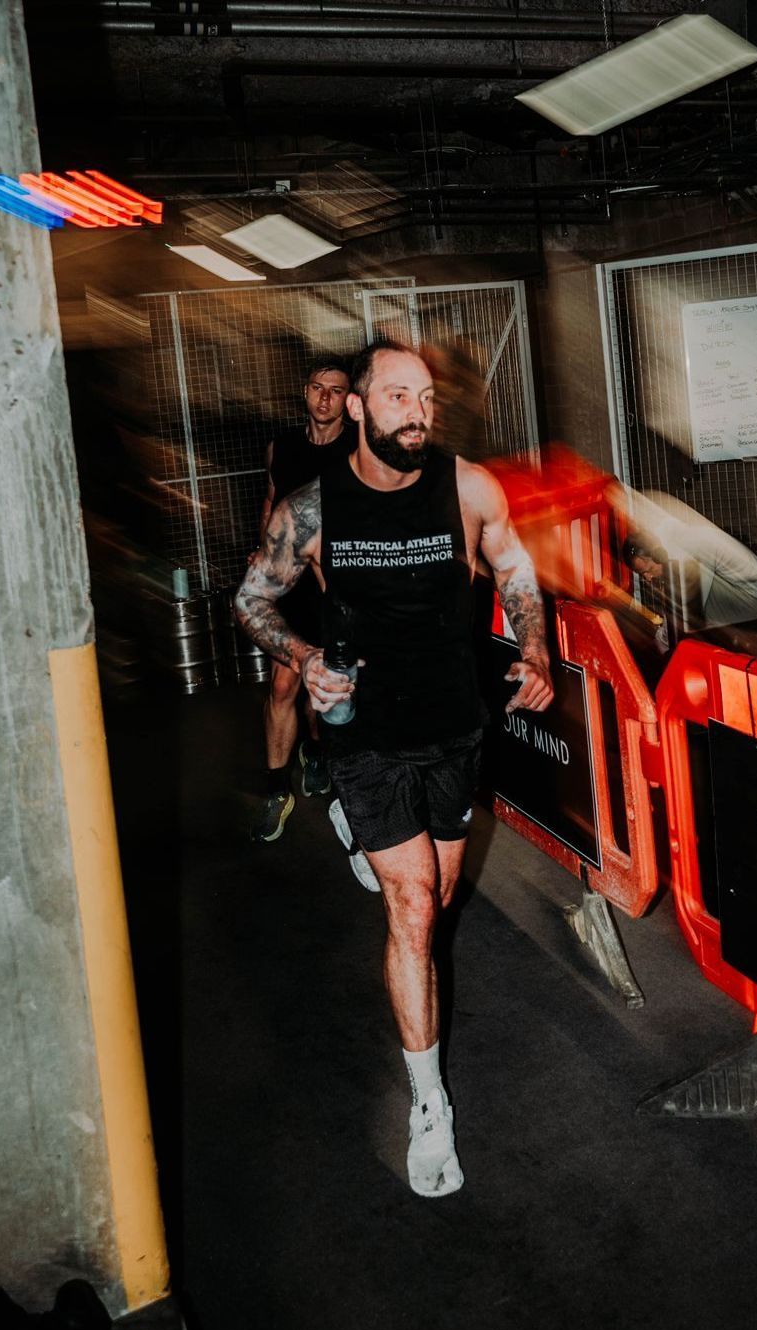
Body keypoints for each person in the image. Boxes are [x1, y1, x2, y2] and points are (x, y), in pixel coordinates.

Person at [236, 341, 553, 1197]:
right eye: (398, 396)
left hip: (454, 727)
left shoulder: (471, 488)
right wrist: (303, 657)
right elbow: (251, 598)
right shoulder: (313, 508)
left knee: (440, 898)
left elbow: (516, 568)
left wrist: (535, 649)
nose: (418, 410)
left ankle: (364, 834)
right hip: (364, 734)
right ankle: (429, 1105)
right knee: (413, 910)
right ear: (361, 409)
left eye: (426, 397)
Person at [249, 355, 358, 841]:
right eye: (318, 387)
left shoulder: (359, 451)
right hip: (292, 585)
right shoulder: (284, 447)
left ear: (348, 399)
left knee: (327, 693)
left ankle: (317, 753)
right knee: (282, 686)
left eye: (336, 391)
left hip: (338, 590)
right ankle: (276, 788)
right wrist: (264, 551)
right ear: (306, 391)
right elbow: (272, 500)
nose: (325, 398)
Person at [620, 487, 757, 640]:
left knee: (691, 621)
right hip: (749, 601)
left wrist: (663, 639)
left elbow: (686, 610)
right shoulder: (679, 544)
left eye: (647, 570)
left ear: (657, 554)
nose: (648, 578)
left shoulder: (689, 548)